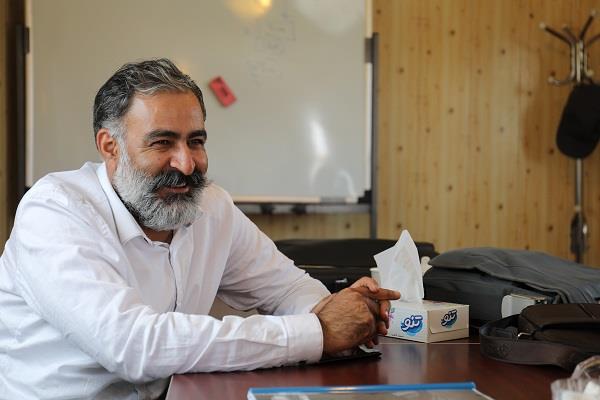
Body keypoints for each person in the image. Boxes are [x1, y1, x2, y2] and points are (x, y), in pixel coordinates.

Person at [0, 58, 400, 399]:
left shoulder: (211, 206)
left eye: (196, 141)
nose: (186, 163)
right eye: (163, 143)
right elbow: (133, 345)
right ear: (110, 146)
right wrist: (316, 333)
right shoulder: (55, 211)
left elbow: (287, 289)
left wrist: (338, 313)